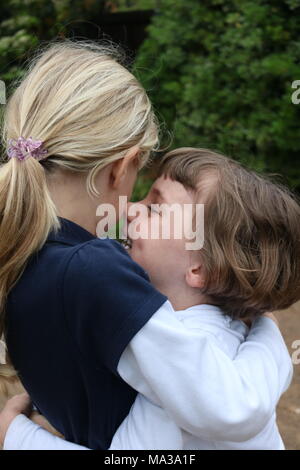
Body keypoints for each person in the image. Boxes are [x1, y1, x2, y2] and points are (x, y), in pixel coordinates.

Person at [1, 148, 299, 450]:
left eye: (155, 208)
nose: (130, 209)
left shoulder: (187, 349)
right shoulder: (224, 335)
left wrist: (17, 437)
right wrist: (267, 327)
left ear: (203, 268)